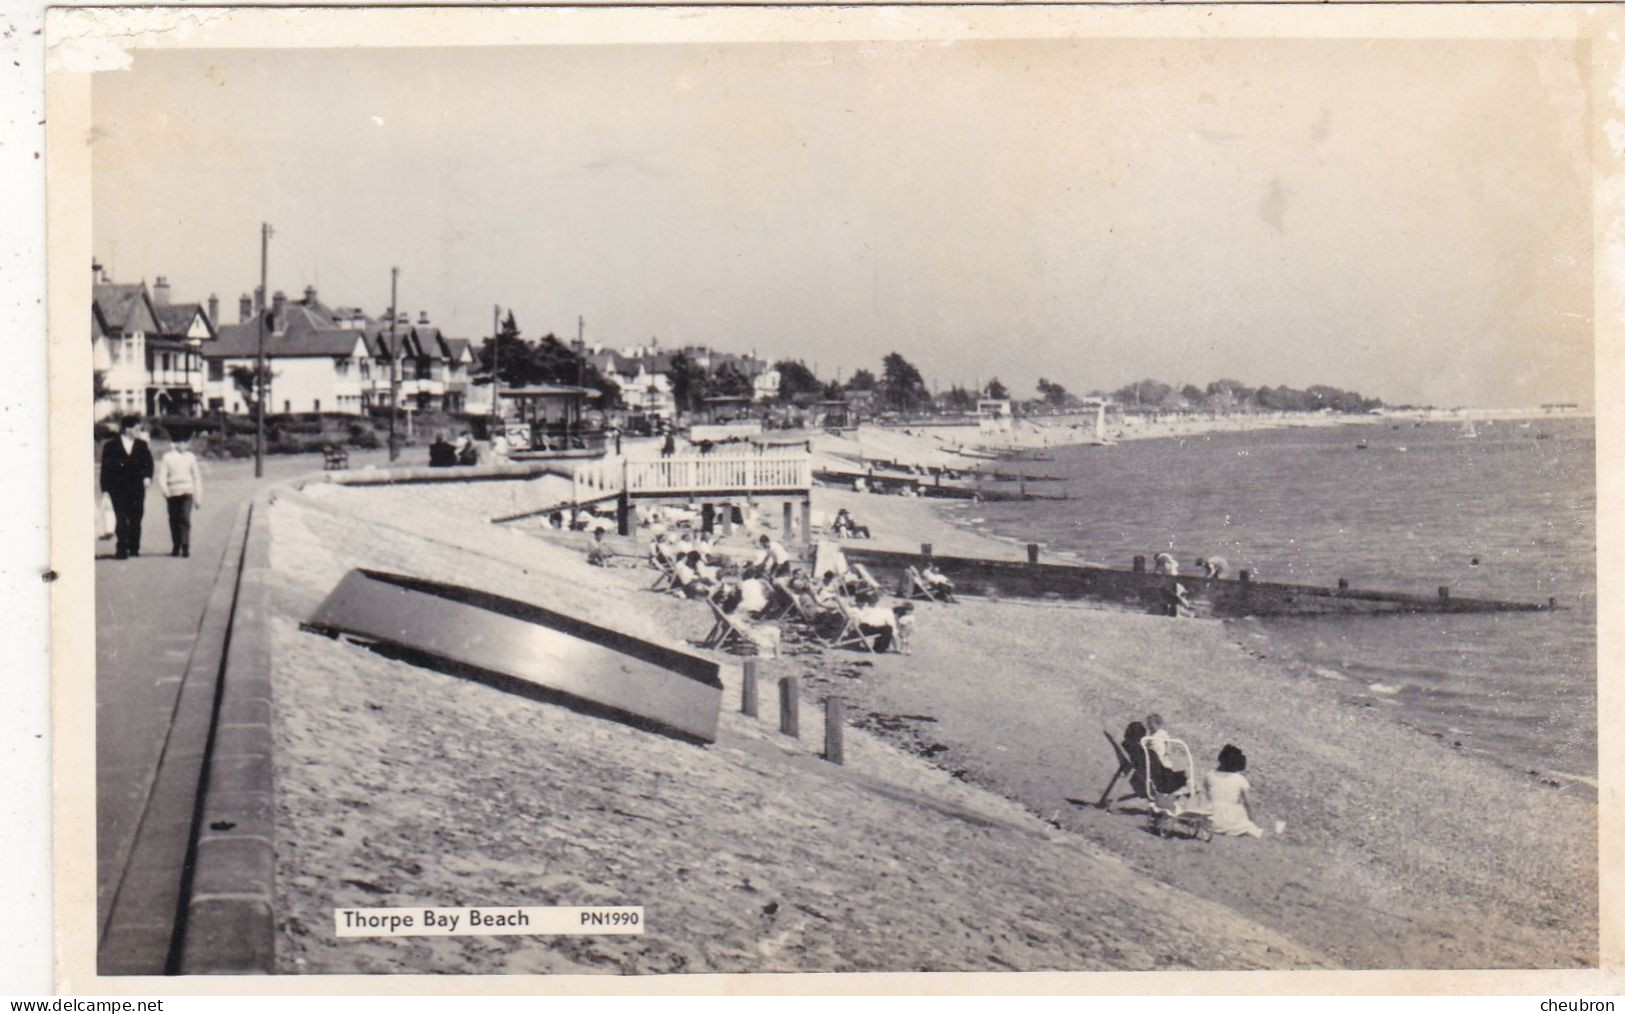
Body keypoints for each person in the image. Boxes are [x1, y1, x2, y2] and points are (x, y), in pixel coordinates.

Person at [100, 416, 154, 559]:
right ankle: (122, 548)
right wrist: (105, 490)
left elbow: (148, 463)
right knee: (121, 518)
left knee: (136, 517)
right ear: (127, 429)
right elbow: (105, 469)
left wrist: (147, 477)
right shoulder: (110, 446)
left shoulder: (142, 445)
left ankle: (134, 547)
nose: (139, 432)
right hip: (117, 489)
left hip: (137, 489)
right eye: (137, 429)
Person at [155, 433, 204, 558]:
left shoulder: (191, 457)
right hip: (172, 493)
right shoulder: (167, 457)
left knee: (185, 517)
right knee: (174, 519)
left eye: (186, 443)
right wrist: (165, 491)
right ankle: (176, 544)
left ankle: (185, 545)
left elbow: (196, 477)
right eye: (180, 442)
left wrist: (198, 497)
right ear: (175, 444)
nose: (183, 445)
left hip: (187, 491)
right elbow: (162, 476)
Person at [1204, 745, 1264, 838]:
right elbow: (1248, 804)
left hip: (1212, 817)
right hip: (1230, 818)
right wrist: (1253, 821)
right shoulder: (1240, 779)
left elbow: (1206, 795)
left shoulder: (1209, 775)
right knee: (1246, 824)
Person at [1143, 713, 1188, 795]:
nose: (1148, 726)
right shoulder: (1150, 735)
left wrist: (1167, 751)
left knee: (1166, 766)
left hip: (1162, 757)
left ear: (1157, 724)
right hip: (1155, 758)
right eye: (1148, 724)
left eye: (1150, 724)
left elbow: (1168, 742)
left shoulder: (1162, 733)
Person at [852, 588, 899, 652]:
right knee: (888, 628)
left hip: (861, 629)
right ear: (878, 601)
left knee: (885, 627)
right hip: (869, 629)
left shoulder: (861, 609)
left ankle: (880, 647)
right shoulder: (884, 611)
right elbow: (891, 626)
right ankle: (882, 648)